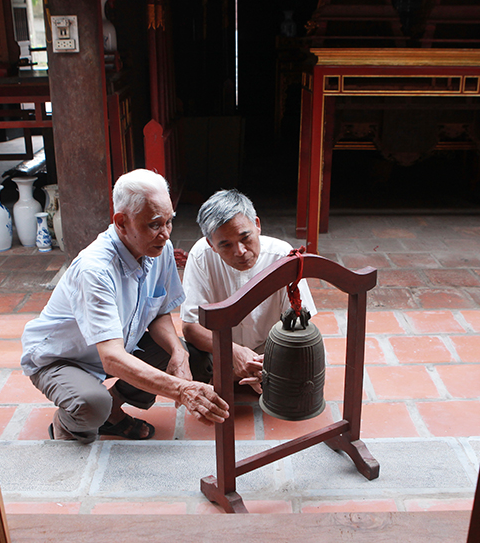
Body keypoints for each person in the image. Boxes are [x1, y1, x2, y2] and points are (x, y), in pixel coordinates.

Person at [21, 169, 229, 442]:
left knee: (188, 354)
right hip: (63, 358)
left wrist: (178, 352)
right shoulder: (95, 269)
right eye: (155, 224)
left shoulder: (159, 248)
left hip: (116, 348)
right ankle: (68, 422)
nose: (165, 234)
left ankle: (112, 410)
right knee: (90, 404)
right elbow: (112, 357)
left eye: (169, 222)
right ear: (121, 222)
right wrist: (181, 390)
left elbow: (158, 312)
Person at [179, 189, 317, 390]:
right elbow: (191, 327)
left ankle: (253, 374)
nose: (240, 252)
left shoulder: (283, 255)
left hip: (270, 347)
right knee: (190, 360)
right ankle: (241, 374)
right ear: (211, 244)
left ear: (258, 225)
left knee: (306, 359)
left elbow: (300, 323)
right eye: (225, 245)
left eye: (245, 237)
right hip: (218, 350)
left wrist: (268, 359)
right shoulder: (200, 255)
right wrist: (234, 352)